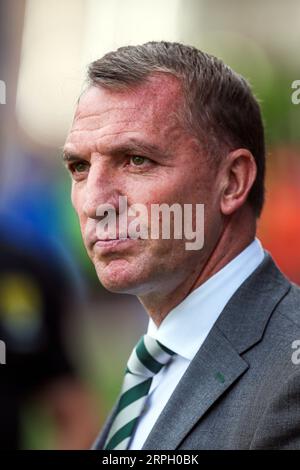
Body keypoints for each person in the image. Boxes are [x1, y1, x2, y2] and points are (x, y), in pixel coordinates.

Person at [63, 41, 300, 450]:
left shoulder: (289, 376)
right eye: (80, 167)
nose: (95, 201)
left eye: (136, 160)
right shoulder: (158, 357)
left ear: (232, 182)